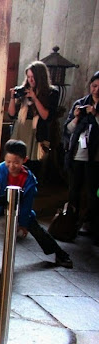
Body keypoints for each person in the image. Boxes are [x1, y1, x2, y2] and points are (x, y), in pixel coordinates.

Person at [0, 140, 73, 268]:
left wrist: (24, 224)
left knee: (37, 229)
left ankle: (61, 254)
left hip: (19, 207)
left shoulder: (29, 179)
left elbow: (27, 204)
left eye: (16, 162)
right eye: (8, 162)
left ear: (25, 160)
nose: (11, 166)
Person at [62, 71, 99, 245]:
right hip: (77, 154)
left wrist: (95, 115)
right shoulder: (80, 103)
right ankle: (71, 222)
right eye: (94, 86)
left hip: (95, 157)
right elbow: (68, 130)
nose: (96, 90)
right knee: (74, 190)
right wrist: (77, 118)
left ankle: (91, 224)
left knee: (93, 193)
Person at [8, 61, 59, 178]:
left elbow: (46, 116)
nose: (30, 80)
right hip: (20, 129)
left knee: (33, 166)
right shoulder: (23, 90)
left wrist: (35, 98)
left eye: (33, 77)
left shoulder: (52, 92)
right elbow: (11, 114)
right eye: (28, 77)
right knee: (16, 161)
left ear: (40, 77)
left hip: (36, 132)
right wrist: (12, 97)